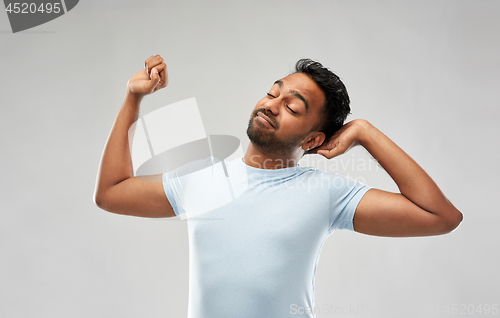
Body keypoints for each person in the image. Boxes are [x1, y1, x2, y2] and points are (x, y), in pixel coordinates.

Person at [94, 55, 462, 317]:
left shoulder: (325, 193)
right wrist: (133, 97)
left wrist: (365, 132)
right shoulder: (202, 179)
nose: (272, 106)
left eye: (293, 107)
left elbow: (440, 216)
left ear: (314, 139)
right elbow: (111, 192)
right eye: (273, 94)